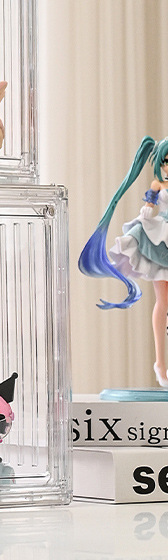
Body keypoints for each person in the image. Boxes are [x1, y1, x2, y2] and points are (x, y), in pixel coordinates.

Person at [79, 136, 168, 386]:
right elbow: (150, 206)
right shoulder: (158, 185)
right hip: (160, 241)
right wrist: (147, 209)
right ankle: (160, 363)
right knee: (163, 302)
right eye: (165, 161)